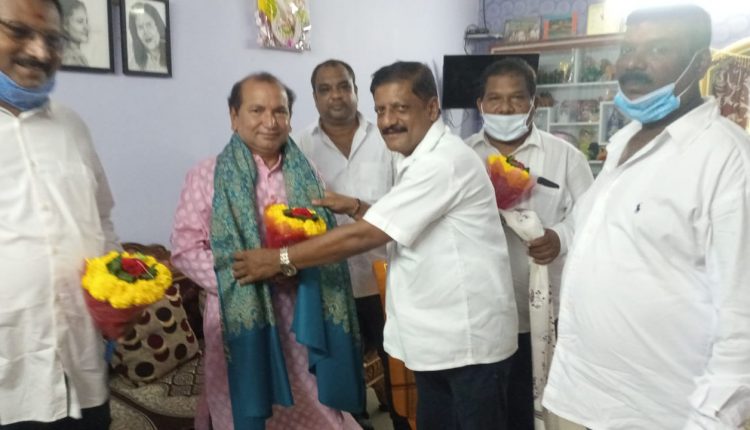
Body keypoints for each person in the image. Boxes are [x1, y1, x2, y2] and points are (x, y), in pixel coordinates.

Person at [232, 61, 519, 430]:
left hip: (469, 342)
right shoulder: (412, 156)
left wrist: (278, 259)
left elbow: (368, 234)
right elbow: (404, 222)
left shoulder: (443, 162)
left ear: (432, 108)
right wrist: (356, 207)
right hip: (439, 338)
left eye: (400, 108)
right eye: (381, 110)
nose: (388, 121)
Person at [542, 5, 750, 429]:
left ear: (700, 62)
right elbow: (596, 232)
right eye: (628, 49)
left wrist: (712, 421)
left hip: (659, 414)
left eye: (658, 49)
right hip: (575, 396)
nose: (633, 63)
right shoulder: (622, 142)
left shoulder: (728, 159)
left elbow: (742, 317)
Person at [170, 72, 364, 430]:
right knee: (245, 410)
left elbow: (323, 238)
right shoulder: (207, 175)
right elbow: (185, 248)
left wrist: (287, 266)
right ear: (234, 116)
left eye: (280, 111)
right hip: (238, 313)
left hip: (302, 312)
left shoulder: (307, 173)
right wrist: (246, 275)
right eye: (257, 110)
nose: (270, 122)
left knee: (317, 408)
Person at [0, 0, 120, 428]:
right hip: (10, 372)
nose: (39, 51)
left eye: (53, 39)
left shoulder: (73, 126)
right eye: (18, 31)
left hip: (81, 363)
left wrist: (115, 297)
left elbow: (101, 220)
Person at [465, 58, 593, 430]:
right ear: (480, 104)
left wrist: (560, 236)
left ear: (534, 103)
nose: (505, 108)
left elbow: (591, 216)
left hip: (546, 311)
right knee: (487, 410)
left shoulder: (565, 156)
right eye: (495, 99)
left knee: (538, 404)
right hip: (481, 311)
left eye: (517, 98)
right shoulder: (462, 158)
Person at [294, 59, 409, 430]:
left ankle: (402, 421)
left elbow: (405, 206)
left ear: (357, 91)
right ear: (314, 97)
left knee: (399, 367)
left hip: (387, 278)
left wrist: (357, 207)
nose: (336, 96)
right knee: (340, 372)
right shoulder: (299, 146)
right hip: (330, 282)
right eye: (325, 89)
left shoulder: (387, 138)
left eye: (344, 86)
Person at [128, 1, 167, 73]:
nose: (145, 32)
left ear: (158, 26)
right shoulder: (134, 65)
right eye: (140, 27)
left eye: (149, 24)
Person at [59, 0, 88, 66]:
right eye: (80, 22)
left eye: (87, 21)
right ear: (65, 25)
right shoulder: (70, 59)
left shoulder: (78, 56)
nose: (86, 27)